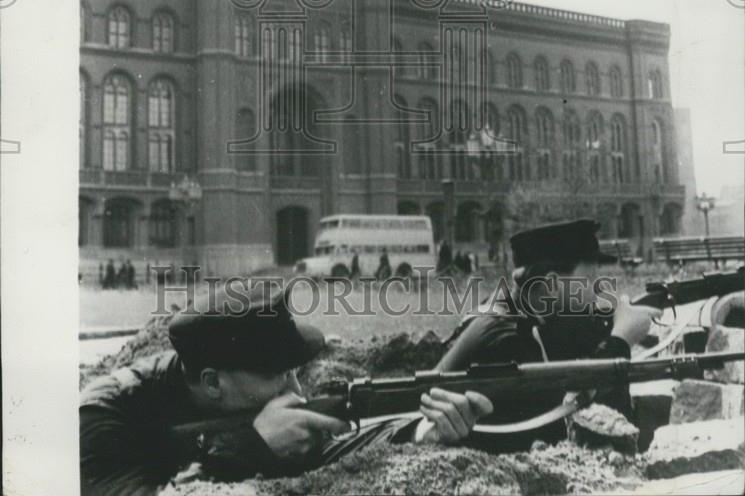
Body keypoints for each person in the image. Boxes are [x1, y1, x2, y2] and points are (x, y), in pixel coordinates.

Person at [79, 287, 493, 494]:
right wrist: (251, 448)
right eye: (275, 375)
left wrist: (421, 433)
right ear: (212, 383)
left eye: (295, 371)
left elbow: (334, 446)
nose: (295, 389)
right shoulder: (100, 420)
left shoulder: (250, 400)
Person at [436, 219, 661, 451]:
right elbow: (587, 442)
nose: (600, 295)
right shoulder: (506, 338)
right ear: (552, 285)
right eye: (592, 282)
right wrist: (619, 341)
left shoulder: (521, 313)